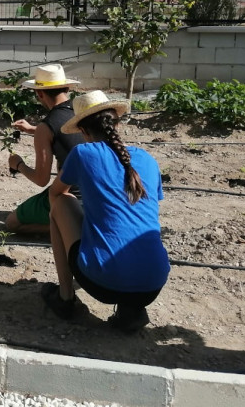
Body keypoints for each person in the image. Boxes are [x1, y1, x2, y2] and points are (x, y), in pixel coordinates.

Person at [43, 90, 170, 333]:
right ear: (118, 123)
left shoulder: (83, 153)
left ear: (83, 131)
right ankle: (132, 309)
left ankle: (65, 298)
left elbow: (55, 193)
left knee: (61, 203)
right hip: (153, 284)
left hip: (102, 283)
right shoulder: (147, 159)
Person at [5, 64, 84, 235]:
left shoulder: (46, 126)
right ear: (67, 88)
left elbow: (41, 179)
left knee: (12, 223)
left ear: (39, 93)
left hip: (71, 195)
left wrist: (18, 164)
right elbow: (66, 132)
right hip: (98, 192)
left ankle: (72, 228)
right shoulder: (81, 111)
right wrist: (33, 129)